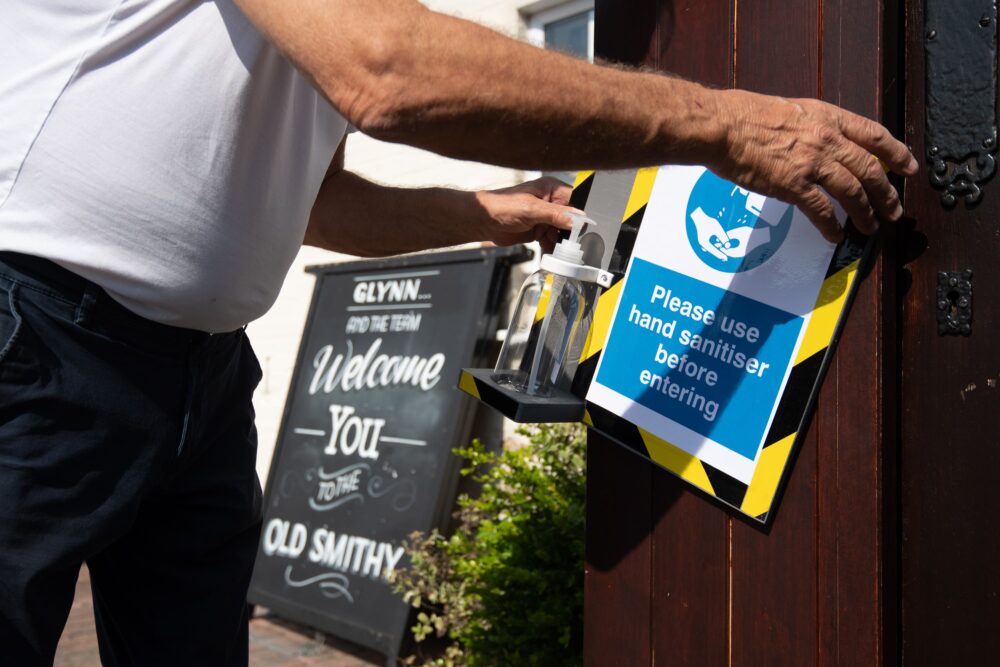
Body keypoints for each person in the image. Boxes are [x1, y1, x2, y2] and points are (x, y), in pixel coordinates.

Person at [0, 1, 916, 665]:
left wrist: (485, 212)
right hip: (35, 336)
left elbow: (311, 197)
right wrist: (721, 123)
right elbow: (386, 70)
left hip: (199, 374)